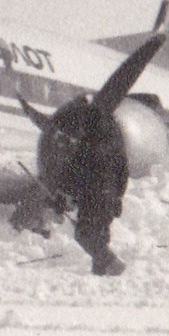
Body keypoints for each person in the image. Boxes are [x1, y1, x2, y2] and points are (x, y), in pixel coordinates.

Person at [38, 95, 132, 276]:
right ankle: (101, 277)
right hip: (108, 197)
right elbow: (123, 173)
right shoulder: (113, 144)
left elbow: (74, 173)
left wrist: (61, 194)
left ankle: (112, 264)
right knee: (100, 237)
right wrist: (118, 197)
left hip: (93, 197)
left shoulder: (87, 146)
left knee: (84, 235)